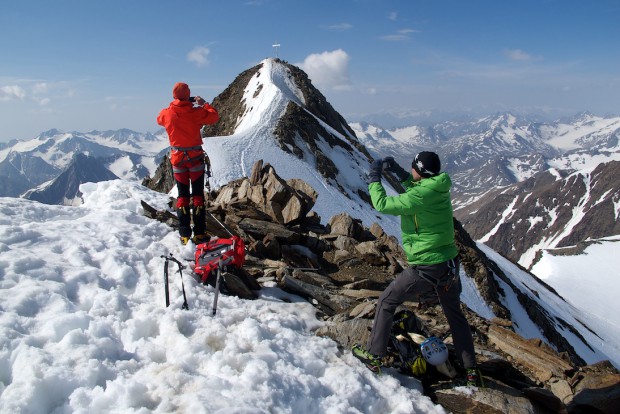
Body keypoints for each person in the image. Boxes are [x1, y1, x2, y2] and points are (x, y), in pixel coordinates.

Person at [352, 152, 482, 387]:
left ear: (418, 170)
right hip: (449, 265)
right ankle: (471, 370)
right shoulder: (438, 186)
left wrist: (374, 178)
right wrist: (400, 173)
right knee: (454, 315)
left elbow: (382, 203)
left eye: (412, 168)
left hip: (426, 267)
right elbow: (417, 186)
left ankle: (374, 355)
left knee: (387, 301)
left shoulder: (421, 195)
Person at [157, 82, 219, 245]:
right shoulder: (195, 112)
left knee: (182, 196)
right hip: (195, 158)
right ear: (188, 95)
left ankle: (184, 234)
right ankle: (199, 233)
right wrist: (203, 103)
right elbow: (214, 116)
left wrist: (174, 104)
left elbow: (159, 120)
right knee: (197, 196)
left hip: (178, 159)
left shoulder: (167, 113)